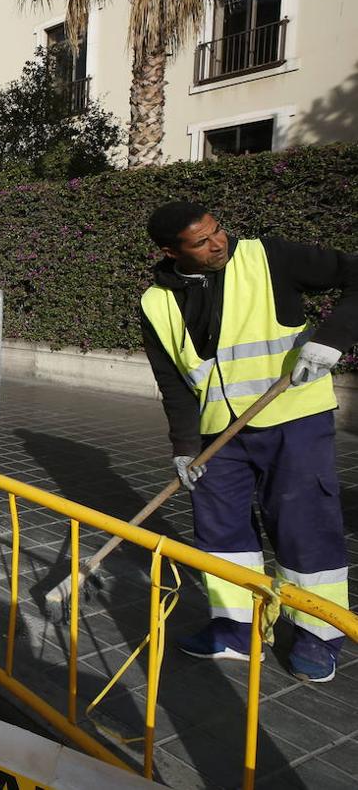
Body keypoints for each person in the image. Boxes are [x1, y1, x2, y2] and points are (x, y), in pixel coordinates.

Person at [140, 201, 356, 682]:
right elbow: (173, 381)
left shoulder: (269, 257)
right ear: (170, 251)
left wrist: (334, 339)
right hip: (219, 432)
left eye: (218, 232)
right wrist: (184, 446)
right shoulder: (155, 301)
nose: (218, 244)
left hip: (294, 417)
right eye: (201, 241)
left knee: (304, 526)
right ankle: (237, 630)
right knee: (221, 535)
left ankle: (318, 634)